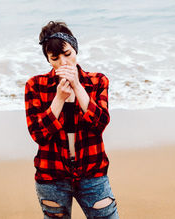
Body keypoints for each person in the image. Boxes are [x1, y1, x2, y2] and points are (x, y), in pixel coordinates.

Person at [24, 21, 119, 219]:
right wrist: (58, 98)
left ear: (75, 49)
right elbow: (38, 135)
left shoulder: (97, 81)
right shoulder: (35, 85)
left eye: (67, 54)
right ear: (49, 60)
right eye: (55, 58)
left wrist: (77, 87)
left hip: (92, 172)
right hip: (52, 176)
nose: (63, 63)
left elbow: (101, 123)